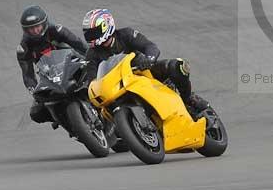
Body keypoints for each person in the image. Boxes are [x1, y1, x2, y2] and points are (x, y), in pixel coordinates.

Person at [80, 9, 210, 118]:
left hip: (143, 72)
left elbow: (150, 46)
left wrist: (149, 59)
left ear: (105, 25)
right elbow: (92, 80)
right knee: (102, 111)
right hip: (118, 89)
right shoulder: (92, 54)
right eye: (88, 34)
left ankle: (188, 98)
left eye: (93, 33)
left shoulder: (126, 34)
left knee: (178, 66)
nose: (91, 37)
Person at [16, 5, 88, 124]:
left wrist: (90, 57)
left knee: (93, 74)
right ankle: (65, 122)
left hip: (72, 64)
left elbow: (79, 44)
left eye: (37, 27)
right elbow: (27, 74)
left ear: (44, 23)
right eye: (31, 29)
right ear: (25, 30)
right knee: (36, 113)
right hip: (50, 75)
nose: (35, 31)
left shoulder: (56, 30)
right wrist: (34, 91)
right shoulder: (24, 47)